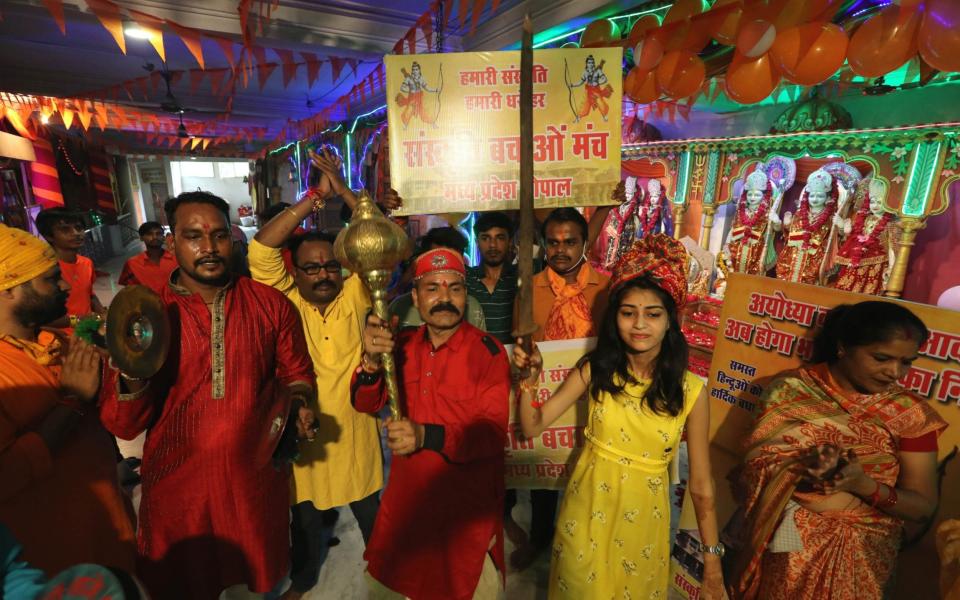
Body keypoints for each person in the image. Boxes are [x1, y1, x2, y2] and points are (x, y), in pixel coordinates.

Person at [99, 191, 318, 599]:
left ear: (233, 239)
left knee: (254, 583)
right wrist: (132, 369)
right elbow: (121, 422)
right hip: (180, 492)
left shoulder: (270, 305)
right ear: (172, 243)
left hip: (251, 486)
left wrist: (301, 405)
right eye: (193, 236)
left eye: (219, 235)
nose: (209, 248)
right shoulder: (149, 315)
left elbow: (297, 373)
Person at [512, 234, 724, 599]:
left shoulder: (691, 391)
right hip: (585, 517)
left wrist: (713, 565)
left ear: (671, 321)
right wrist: (528, 383)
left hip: (644, 528)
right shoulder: (596, 370)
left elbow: (702, 487)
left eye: (653, 314)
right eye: (628, 313)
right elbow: (532, 426)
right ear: (616, 318)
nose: (640, 324)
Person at [729, 301, 947, 600]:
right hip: (790, 548)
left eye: (907, 362)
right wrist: (802, 468)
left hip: (866, 556)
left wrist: (862, 485)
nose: (895, 373)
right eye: (881, 358)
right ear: (843, 347)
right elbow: (756, 464)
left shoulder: (911, 414)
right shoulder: (791, 391)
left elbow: (922, 507)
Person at [250, 152, 382, 600]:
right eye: (312, 267)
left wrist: (341, 188)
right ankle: (305, 580)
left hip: (356, 430)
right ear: (295, 272)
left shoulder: (355, 293)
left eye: (331, 265)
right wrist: (313, 199)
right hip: (303, 427)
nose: (324, 274)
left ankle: (386, 575)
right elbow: (261, 248)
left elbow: (377, 240)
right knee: (303, 517)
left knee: (371, 514)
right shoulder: (284, 301)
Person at [353, 247, 510, 599]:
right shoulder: (400, 346)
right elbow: (364, 402)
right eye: (432, 288)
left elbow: (491, 435)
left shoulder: (489, 353)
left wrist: (425, 435)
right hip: (406, 505)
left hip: (463, 512)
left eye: (454, 288)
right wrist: (372, 363)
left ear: (465, 295)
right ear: (415, 297)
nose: (444, 298)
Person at [0, 223, 135, 576]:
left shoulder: (57, 343)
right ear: (9, 290)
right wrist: (72, 401)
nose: (64, 286)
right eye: (49, 279)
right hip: (53, 559)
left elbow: (118, 414)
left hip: (109, 529)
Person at [510, 207, 611, 569]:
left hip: (595, 398)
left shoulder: (606, 288)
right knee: (544, 476)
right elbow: (520, 342)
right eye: (553, 243)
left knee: (590, 477)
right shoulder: (530, 289)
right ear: (543, 245)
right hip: (547, 399)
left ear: (586, 243)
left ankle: (584, 546)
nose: (561, 250)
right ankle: (540, 538)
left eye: (570, 242)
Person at [390, 226, 486, 330]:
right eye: (437, 260)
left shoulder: (473, 308)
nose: (445, 298)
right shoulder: (399, 308)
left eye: (451, 261)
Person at [35, 208, 105, 326]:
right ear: (49, 236)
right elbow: (41, 320)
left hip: (88, 334)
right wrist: (79, 320)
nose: (76, 233)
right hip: (60, 339)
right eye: (65, 230)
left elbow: (90, 295)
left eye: (78, 228)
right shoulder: (44, 270)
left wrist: (103, 314)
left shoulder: (86, 263)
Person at [466, 212, 517, 345]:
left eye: (499, 238)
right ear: (477, 242)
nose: (492, 245)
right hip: (475, 359)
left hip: (513, 359)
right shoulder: (466, 279)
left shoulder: (522, 276)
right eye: (485, 238)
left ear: (510, 241)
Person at [118, 221, 178, 294]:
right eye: (149, 234)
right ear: (141, 238)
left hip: (174, 304)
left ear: (163, 237)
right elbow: (129, 290)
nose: (155, 237)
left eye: (158, 234)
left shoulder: (176, 260)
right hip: (147, 304)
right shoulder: (132, 264)